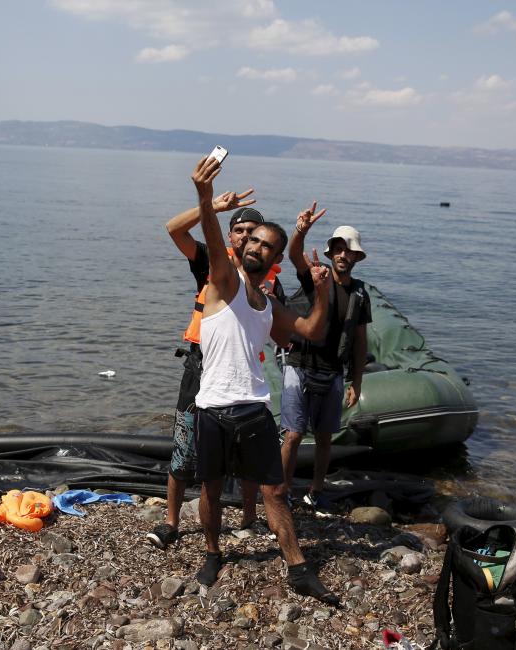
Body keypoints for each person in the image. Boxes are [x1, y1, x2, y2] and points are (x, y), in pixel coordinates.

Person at [189, 155, 339, 604]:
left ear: (274, 257)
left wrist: (324, 293)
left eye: (266, 245)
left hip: (253, 406)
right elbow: (214, 241)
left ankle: (297, 567)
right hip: (212, 407)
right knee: (212, 491)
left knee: (275, 489)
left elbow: (311, 331)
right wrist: (203, 196)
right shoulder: (223, 280)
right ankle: (213, 552)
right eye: (251, 240)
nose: (255, 247)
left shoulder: (267, 303)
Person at [146, 191, 284, 549]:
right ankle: (171, 522)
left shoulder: (267, 279)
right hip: (200, 370)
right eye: (238, 229)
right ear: (230, 235)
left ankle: (250, 518)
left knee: (249, 454)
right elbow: (174, 229)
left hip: (242, 379)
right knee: (183, 445)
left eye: (252, 232)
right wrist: (211, 206)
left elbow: (279, 326)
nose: (244, 237)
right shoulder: (210, 259)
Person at [280, 206, 371, 509]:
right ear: (332, 252)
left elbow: (359, 342)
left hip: (332, 371)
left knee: (323, 437)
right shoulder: (316, 277)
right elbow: (295, 255)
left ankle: (315, 490)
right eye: (339, 249)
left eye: (350, 251)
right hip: (300, 366)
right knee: (293, 434)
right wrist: (301, 230)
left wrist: (354, 382)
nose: (344, 255)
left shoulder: (360, 294)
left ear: (357, 257)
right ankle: (282, 491)